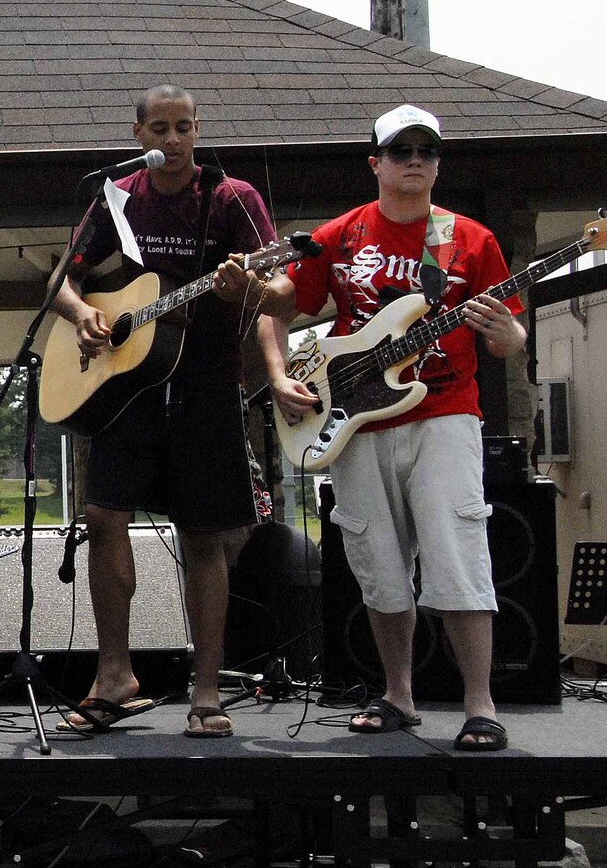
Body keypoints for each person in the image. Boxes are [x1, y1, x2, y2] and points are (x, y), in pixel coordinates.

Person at [253, 104, 523, 752]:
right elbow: (276, 310)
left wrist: (507, 333)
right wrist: (278, 375)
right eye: (402, 151)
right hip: (355, 417)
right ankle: (398, 694)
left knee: (458, 555)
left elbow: (509, 338)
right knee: (377, 560)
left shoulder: (471, 239)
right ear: (376, 162)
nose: (415, 161)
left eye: (427, 151)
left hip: (445, 413)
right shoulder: (340, 235)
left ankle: (480, 705)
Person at [51, 85, 281, 738]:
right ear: (139, 134)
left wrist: (248, 284)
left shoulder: (233, 198)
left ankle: (206, 692)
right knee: (102, 516)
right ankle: (113, 677)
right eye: (160, 128)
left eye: (184, 127)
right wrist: (83, 313)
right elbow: (60, 280)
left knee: (203, 536)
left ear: (197, 130)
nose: (173, 139)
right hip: (130, 387)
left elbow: (276, 290)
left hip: (208, 383)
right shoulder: (117, 195)